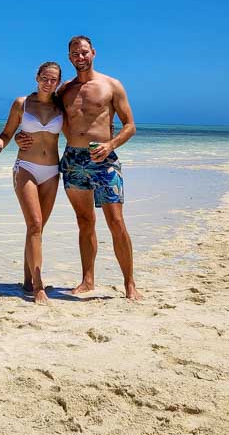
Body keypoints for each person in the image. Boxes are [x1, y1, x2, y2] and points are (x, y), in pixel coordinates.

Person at [17, 35, 142, 300]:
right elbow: (39, 115)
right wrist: (19, 136)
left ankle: (130, 284)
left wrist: (111, 145)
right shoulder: (64, 91)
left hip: (104, 160)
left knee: (116, 221)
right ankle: (88, 280)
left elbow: (130, 125)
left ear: (93, 53)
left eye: (84, 52)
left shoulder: (111, 85)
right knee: (84, 221)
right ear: (69, 57)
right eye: (75, 53)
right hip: (73, 160)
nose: (80, 57)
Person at [0, 61, 64, 305]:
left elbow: (79, 128)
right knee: (35, 224)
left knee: (36, 229)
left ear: (58, 82)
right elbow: (7, 133)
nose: (49, 83)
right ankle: (39, 288)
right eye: (45, 78)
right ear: (37, 77)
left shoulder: (62, 106)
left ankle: (28, 282)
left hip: (52, 171)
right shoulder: (22, 103)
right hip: (26, 168)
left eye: (54, 80)